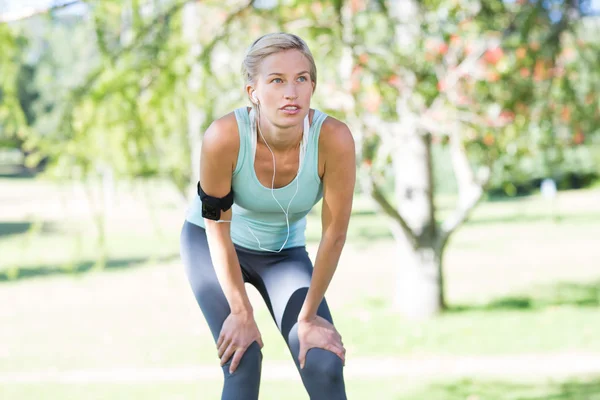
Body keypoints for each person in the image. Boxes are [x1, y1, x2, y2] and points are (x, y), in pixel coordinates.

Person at [179, 32, 355, 400]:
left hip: (283, 255)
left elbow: (334, 235)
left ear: (312, 86)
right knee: (243, 358)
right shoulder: (224, 137)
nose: (291, 92)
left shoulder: (333, 139)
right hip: (213, 244)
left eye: (301, 79)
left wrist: (307, 319)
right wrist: (240, 310)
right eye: (276, 80)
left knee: (323, 360)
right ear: (252, 91)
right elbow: (216, 225)